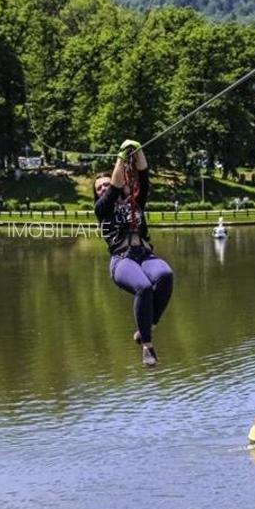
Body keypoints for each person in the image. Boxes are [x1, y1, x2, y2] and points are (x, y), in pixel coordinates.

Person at [94, 140, 174, 367]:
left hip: (145, 255)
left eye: (105, 185)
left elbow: (143, 173)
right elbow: (115, 188)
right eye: (99, 187)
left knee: (165, 276)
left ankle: (146, 327)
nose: (103, 189)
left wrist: (138, 151)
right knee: (144, 287)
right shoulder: (103, 209)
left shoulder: (137, 201)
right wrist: (120, 158)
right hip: (122, 260)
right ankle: (147, 346)